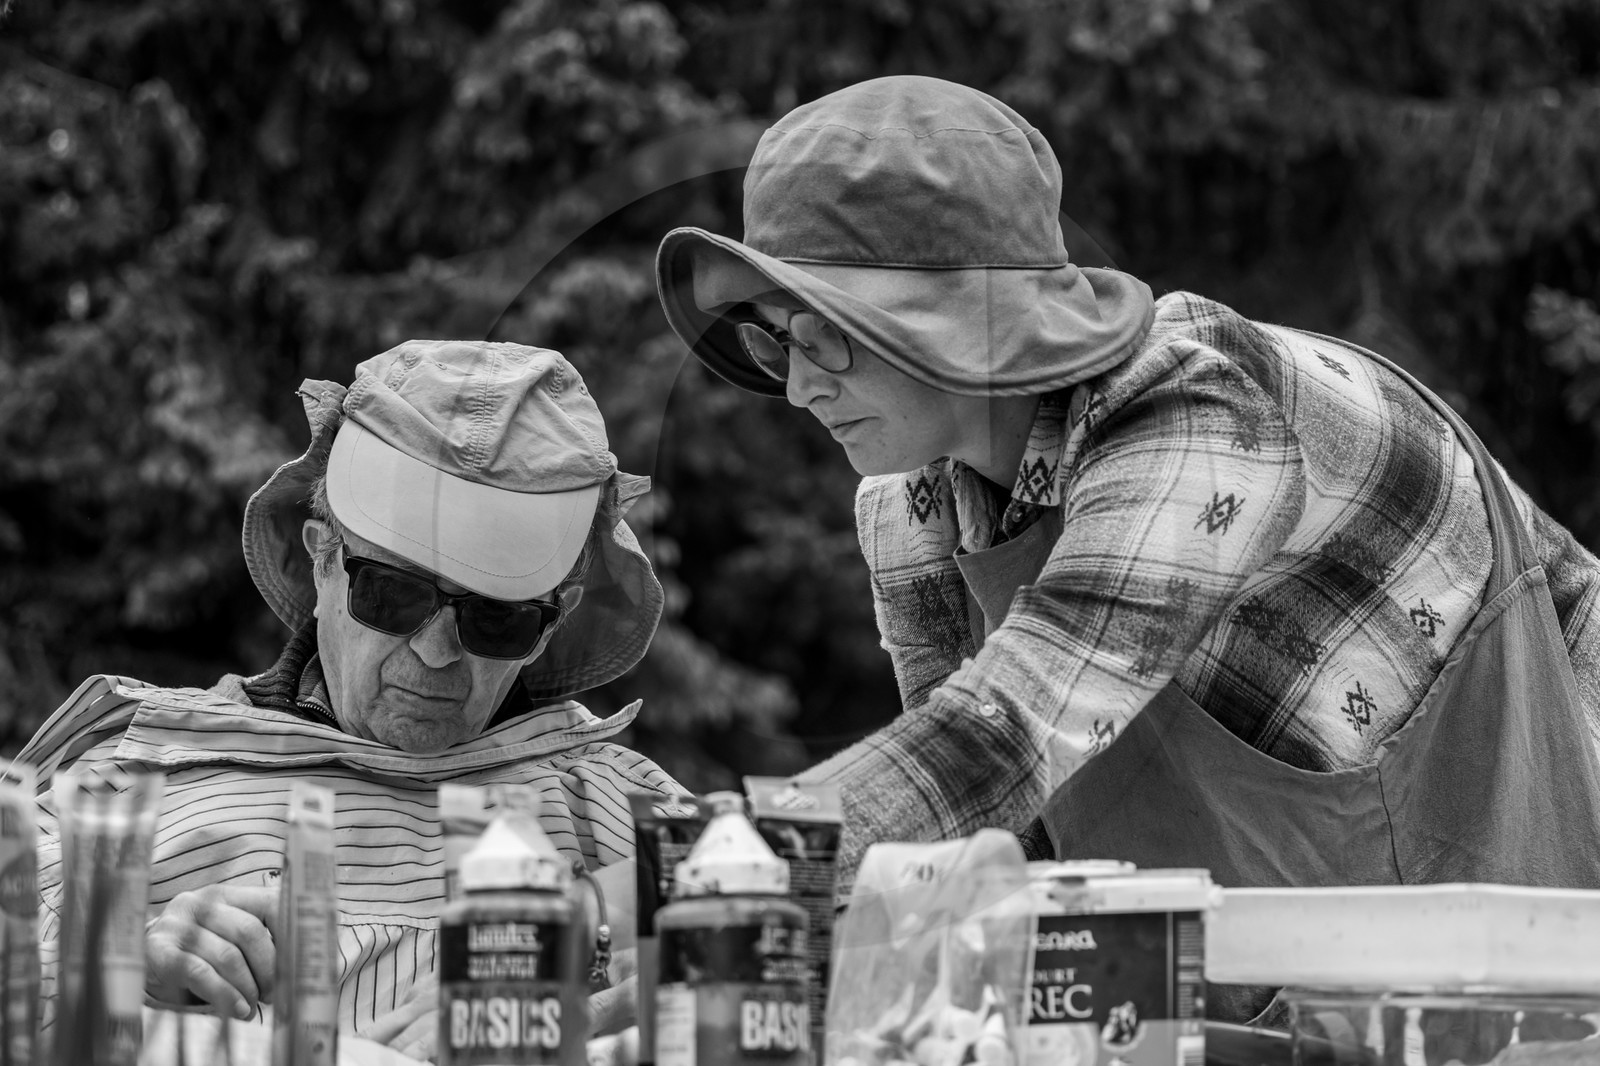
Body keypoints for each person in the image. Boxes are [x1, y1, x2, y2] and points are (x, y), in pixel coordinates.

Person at [655, 75, 1600, 1019]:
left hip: (1540, 826)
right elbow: (977, 845)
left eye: (826, 336)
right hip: (1306, 964)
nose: (795, 389)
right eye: (777, 343)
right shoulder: (906, 514)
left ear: (948, 321)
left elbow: (1009, 730)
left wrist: (714, 883)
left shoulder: (1200, 404)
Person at [21, 339, 678, 1056]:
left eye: (498, 618)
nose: (435, 651)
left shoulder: (618, 804)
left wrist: (596, 936)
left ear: (553, 624)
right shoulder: (127, 778)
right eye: (393, 594)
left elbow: (801, 927)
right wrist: (117, 969)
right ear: (321, 557)